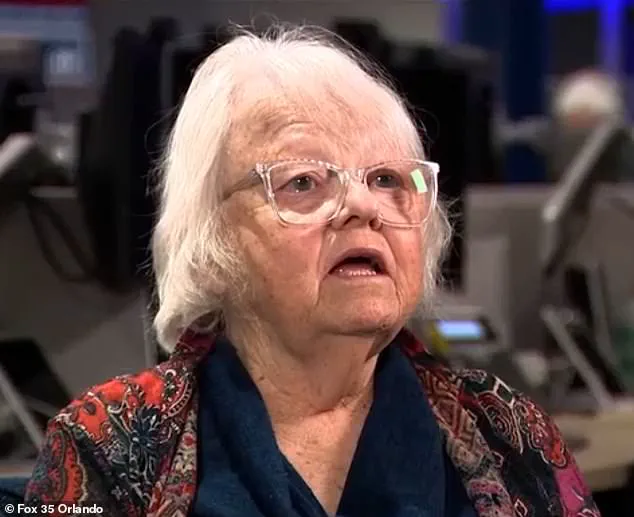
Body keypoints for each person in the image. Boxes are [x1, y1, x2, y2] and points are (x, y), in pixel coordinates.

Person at [24, 25, 599, 517]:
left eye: (387, 180)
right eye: (303, 182)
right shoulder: (106, 445)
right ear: (213, 237)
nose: (363, 207)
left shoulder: (507, 430)